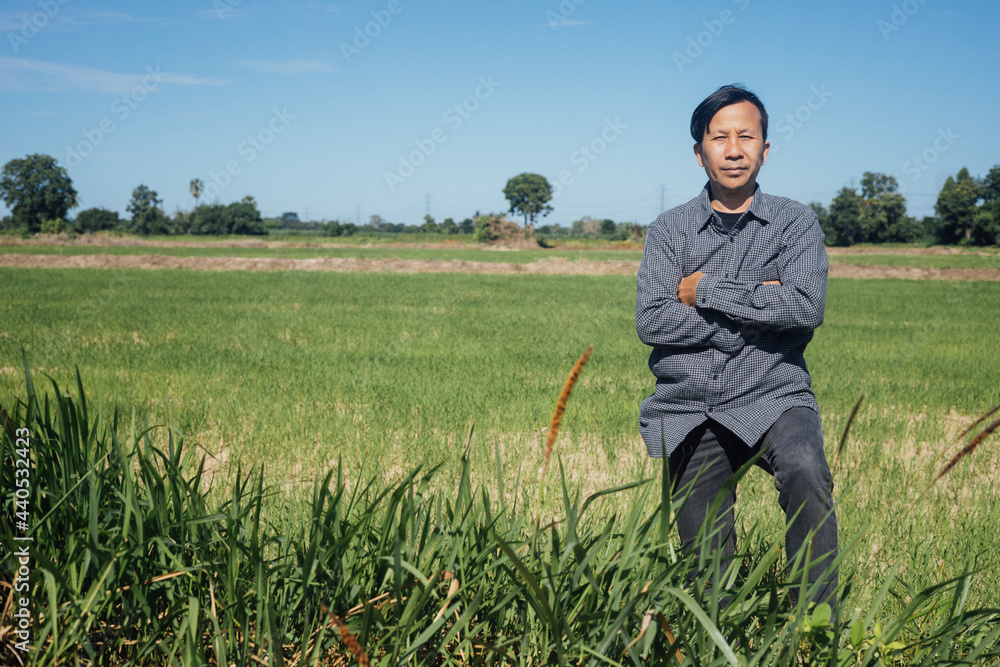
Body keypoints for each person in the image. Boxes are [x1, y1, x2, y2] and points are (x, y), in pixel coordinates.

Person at [635, 84, 838, 606]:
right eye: (719, 136)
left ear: (765, 149)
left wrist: (703, 290)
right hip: (692, 401)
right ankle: (721, 634)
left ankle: (812, 623)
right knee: (706, 557)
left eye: (746, 136)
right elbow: (653, 322)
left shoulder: (795, 223)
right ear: (699, 151)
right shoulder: (668, 231)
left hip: (775, 391)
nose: (733, 148)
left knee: (805, 469)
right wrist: (755, 310)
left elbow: (804, 308)